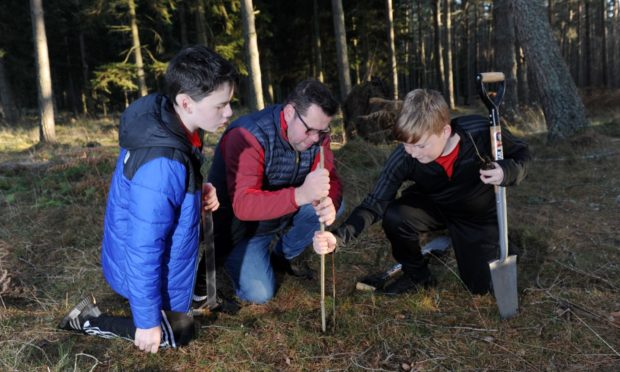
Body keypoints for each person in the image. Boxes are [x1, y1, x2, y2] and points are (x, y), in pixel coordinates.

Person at [58, 45, 237, 353]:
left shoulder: (171, 120)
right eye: (221, 105)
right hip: (140, 263)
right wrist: (146, 322)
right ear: (186, 102)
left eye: (229, 103)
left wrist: (196, 190)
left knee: (180, 323)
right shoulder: (162, 165)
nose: (229, 113)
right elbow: (143, 247)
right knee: (178, 334)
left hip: (156, 251)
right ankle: (86, 319)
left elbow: (170, 189)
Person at [313, 88, 530, 295]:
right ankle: (417, 277)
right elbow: (374, 203)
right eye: (407, 144)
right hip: (435, 205)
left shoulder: (480, 131)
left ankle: (500, 244)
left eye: (421, 145)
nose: (413, 153)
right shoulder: (406, 155)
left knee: (482, 288)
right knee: (396, 215)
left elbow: (522, 154)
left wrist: (507, 171)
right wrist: (338, 238)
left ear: (445, 131)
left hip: (476, 215)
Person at [198, 79, 343, 304]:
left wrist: (329, 201)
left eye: (323, 131)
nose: (315, 139)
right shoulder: (248, 136)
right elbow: (243, 205)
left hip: (283, 214)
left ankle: (282, 255)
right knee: (260, 294)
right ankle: (240, 258)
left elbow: (330, 178)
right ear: (289, 112)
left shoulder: (317, 137)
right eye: (310, 130)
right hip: (242, 229)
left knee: (335, 205)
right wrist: (300, 195)